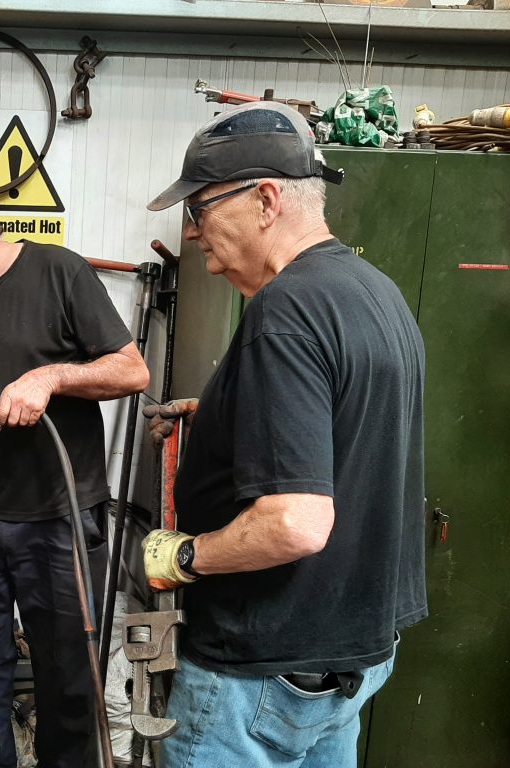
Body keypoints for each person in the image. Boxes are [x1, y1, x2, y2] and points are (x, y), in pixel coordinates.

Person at [140, 102, 427, 767]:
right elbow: (351, 428)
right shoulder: (372, 291)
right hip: (350, 655)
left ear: (266, 198)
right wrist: (226, 413)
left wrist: (184, 556)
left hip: (263, 670)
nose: (198, 244)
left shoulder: (285, 310)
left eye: (202, 212)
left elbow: (296, 523)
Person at [0, 174, 149, 768]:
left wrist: (51, 377)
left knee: (67, 679)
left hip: (60, 518)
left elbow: (131, 371)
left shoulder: (59, 274)